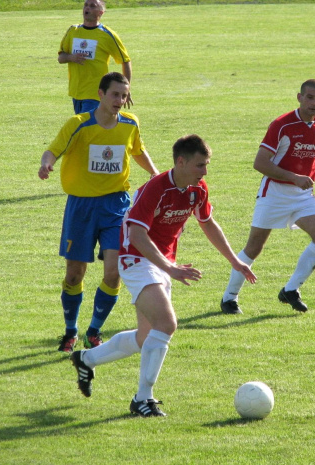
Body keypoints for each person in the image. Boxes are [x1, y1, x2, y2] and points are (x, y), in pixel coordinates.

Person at [70, 134, 257, 417]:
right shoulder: (155, 189)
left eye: (206, 165)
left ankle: (86, 359)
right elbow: (136, 234)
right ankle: (142, 399)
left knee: (147, 337)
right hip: (135, 258)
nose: (205, 171)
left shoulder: (197, 189)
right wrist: (170, 268)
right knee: (167, 324)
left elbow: (208, 224)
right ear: (180, 162)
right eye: (200, 165)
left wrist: (235, 261)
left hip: (161, 263)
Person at [38, 72, 159, 353]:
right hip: (81, 207)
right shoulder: (79, 125)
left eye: (124, 95)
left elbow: (137, 150)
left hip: (115, 205)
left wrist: (154, 174)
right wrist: (46, 165)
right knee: (74, 276)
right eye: (115, 94)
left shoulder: (130, 124)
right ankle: (70, 332)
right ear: (101, 94)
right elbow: (53, 150)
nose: (120, 100)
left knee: (114, 272)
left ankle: (94, 331)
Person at [220, 79, 315, 314]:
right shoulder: (282, 125)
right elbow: (260, 163)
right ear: (299, 97)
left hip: (303, 195)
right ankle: (229, 298)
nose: (314, 103)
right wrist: (294, 177)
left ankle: (290, 290)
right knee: (254, 247)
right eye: (310, 97)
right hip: (274, 193)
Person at [58, 0, 133, 114]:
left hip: (96, 93)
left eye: (92, 6)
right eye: (86, 5)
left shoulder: (107, 35)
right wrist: (71, 57)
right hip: (76, 92)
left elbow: (125, 60)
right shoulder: (73, 31)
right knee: (86, 128)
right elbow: (61, 57)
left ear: (101, 12)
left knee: (87, 127)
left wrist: (126, 89)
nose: (87, 8)